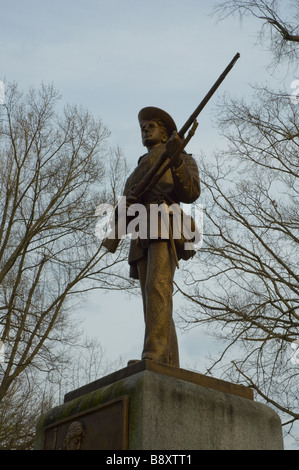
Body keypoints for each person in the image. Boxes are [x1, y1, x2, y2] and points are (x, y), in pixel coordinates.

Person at [123, 107, 200, 367]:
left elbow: (191, 192)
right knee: (152, 296)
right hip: (142, 230)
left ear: (165, 133)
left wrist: (176, 158)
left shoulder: (181, 157)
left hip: (164, 224)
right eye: (142, 127)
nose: (145, 130)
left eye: (151, 126)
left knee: (157, 288)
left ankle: (154, 354)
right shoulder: (139, 167)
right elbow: (125, 206)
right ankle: (167, 360)